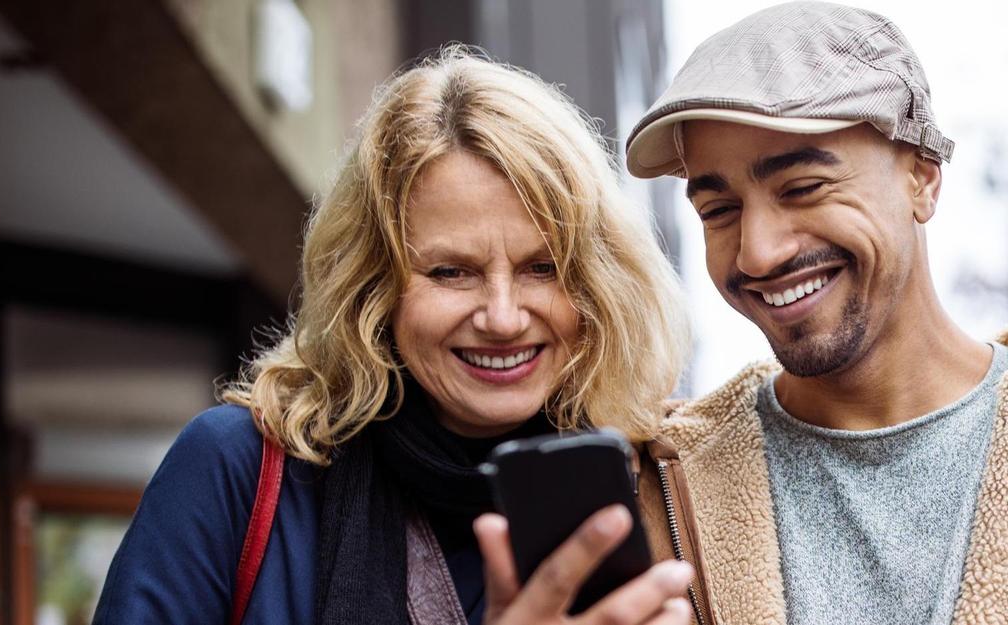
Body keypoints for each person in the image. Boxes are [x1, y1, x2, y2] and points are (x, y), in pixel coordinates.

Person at [619, 3, 1008, 624]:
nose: (758, 252)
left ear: (922, 179)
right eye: (718, 211)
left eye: (803, 189)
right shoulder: (657, 476)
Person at [96, 49, 695, 625]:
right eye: (450, 272)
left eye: (544, 268)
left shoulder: (655, 480)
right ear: (373, 286)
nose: (504, 317)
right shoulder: (238, 468)